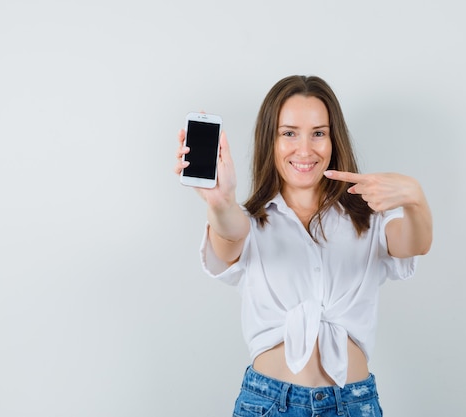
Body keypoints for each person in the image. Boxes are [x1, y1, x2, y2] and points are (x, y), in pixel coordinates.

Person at [174, 75, 432, 417]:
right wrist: (220, 202)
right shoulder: (250, 222)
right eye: (289, 133)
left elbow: (414, 243)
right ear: (271, 139)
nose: (305, 149)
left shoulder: (368, 221)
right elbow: (229, 236)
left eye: (319, 133)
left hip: (352, 404)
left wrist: (415, 199)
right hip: (268, 403)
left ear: (334, 139)